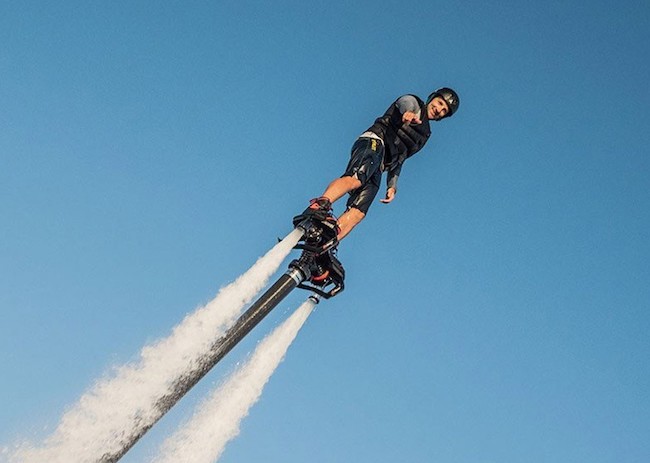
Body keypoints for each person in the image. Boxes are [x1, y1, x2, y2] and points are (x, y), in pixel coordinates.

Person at [293, 87, 460, 241]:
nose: (439, 110)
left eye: (444, 111)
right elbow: (403, 102)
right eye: (439, 103)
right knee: (357, 178)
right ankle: (319, 206)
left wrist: (392, 185)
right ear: (432, 98)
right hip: (374, 141)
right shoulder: (414, 103)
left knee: (359, 212)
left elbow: (401, 159)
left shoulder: (425, 135)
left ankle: (325, 245)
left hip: (381, 165)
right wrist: (408, 112)